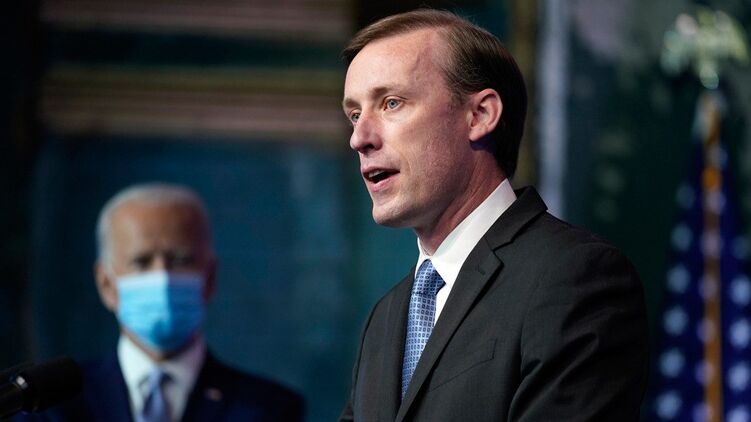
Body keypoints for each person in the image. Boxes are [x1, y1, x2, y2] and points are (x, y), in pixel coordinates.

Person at [339, 9, 648, 421]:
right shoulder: (385, 318)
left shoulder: (575, 277)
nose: (359, 138)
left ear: (480, 115)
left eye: (391, 103)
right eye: (355, 115)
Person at [16, 183, 303, 421]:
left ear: (209, 279)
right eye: (141, 262)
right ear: (106, 285)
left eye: (180, 260)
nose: (162, 277)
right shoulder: (49, 406)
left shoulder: (270, 410)